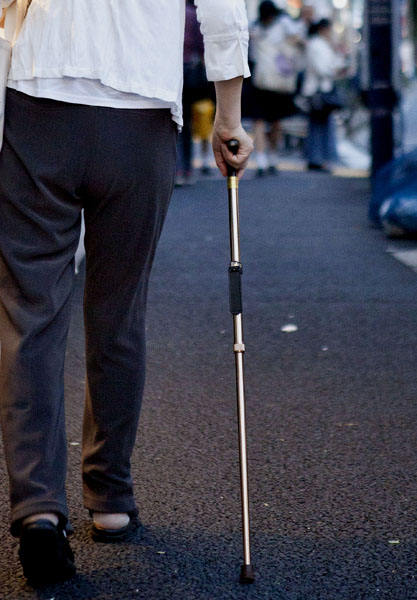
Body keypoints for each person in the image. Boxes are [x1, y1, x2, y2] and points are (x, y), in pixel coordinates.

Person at [0, 0, 253, 587]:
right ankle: (110, 499)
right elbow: (224, 12)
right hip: (141, 114)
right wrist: (228, 117)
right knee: (119, 309)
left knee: (29, 312)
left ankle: (38, 509)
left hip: (38, 100)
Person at [248, 0, 300, 176]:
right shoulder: (282, 23)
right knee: (267, 120)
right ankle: (266, 157)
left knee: (265, 120)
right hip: (271, 80)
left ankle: (266, 156)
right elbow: (298, 39)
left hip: (263, 79)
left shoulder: (255, 27)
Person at [302, 18, 346, 172]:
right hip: (318, 91)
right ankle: (319, 159)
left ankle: (317, 158)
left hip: (320, 90)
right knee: (321, 125)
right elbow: (323, 69)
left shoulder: (322, 44)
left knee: (319, 125)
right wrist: (335, 70)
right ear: (323, 29)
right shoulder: (316, 45)